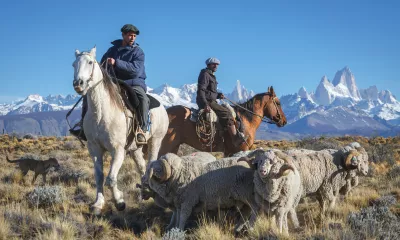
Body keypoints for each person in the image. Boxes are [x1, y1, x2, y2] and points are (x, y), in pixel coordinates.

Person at [70, 24, 149, 145]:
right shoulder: (112, 50)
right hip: (113, 82)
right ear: (123, 35)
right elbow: (101, 67)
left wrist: (116, 62)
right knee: (88, 95)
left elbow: (136, 70)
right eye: (130, 35)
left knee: (142, 98)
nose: (132, 38)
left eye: (134, 36)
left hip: (133, 82)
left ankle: (142, 129)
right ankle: (83, 127)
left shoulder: (138, 52)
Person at [196, 57, 244, 147]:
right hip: (208, 101)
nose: (216, 66)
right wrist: (205, 104)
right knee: (226, 113)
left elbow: (209, 92)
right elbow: (201, 90)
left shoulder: (210, 75)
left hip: (211, 100)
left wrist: (218, 95)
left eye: (217, 64)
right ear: (209, 65)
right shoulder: (206, 74)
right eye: (214, 64)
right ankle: (235, 138)